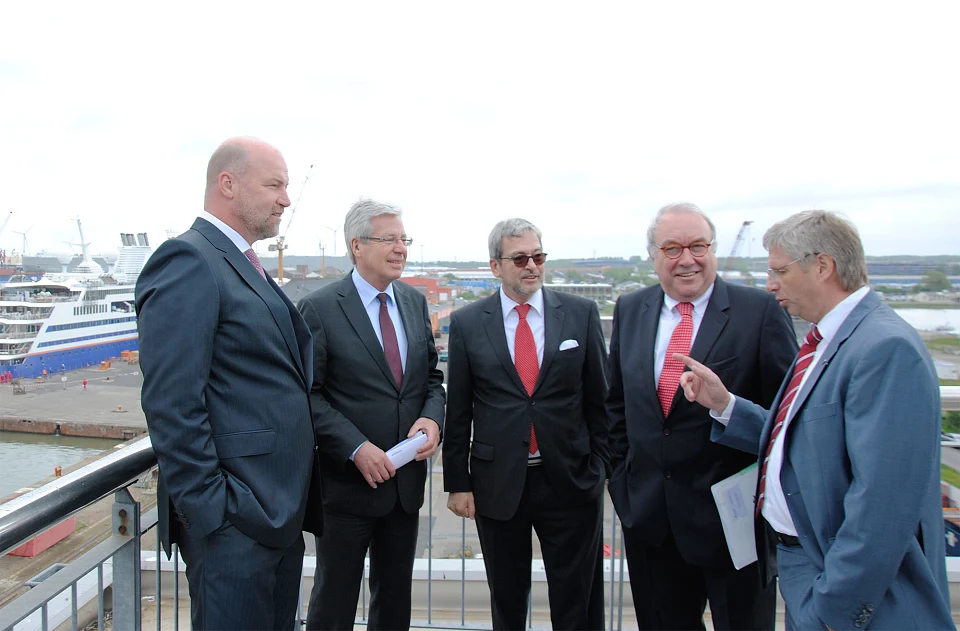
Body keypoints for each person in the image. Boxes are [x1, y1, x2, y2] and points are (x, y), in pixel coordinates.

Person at [675, 210, 952, 630]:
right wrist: (726, 404)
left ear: (822, 266)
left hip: (847, 594)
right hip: (806, 566)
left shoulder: (885, 349)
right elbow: (803, 439)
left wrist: (833, 611)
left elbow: (881, 505)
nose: (770, 285)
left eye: (780, 271)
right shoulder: (828, 338)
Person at [136, 137, 321, 630]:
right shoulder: (189, 260)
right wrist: (213, 513)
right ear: (228, 184)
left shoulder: (244, 265)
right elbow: (172, 403)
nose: (287, 198)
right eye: (275, 185)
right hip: (236, 525)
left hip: (275, 517)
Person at [606, 202, 797, 630]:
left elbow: (787, 420)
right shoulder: (631, 309)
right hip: (651, 524)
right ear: (653, 256)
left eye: (697, 245)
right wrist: (622, 484)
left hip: (733, 526)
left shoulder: (759, 312)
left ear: (712, 249)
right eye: (672, 248)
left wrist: (727, 406)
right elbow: (615, 406)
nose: (686, 259)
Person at [443, 218, 609, 630]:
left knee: (578, 599)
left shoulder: (580, 314)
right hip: (497, 483)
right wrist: (457, 482)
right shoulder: (467, 323)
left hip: (570, 480)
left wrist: (600, 469)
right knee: (508, 596)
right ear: (495, 266)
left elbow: (600, 402)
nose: (531, 265)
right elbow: (459, 409)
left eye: (538, 256)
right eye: (520, 258)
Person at [299, 199, 445, 631]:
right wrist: (356, 447)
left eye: (405, 239)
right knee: (334, 601)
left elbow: (432, 379)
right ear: (357, 245)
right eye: (390, 239)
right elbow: (308, 395)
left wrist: (432, 419)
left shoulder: (414, 303)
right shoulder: (320, 308)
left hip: (404, 488)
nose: (401, 248)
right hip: (346, 490)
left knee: (394, 601)